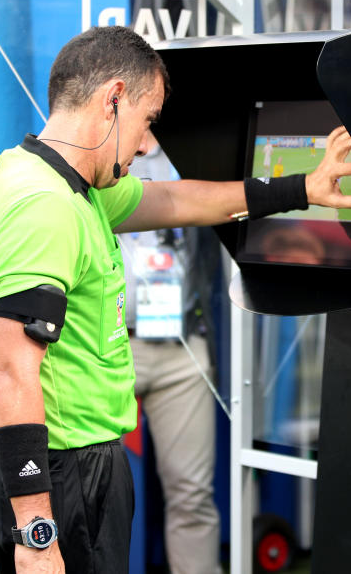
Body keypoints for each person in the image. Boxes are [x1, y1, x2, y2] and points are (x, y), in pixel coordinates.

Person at [0, 25, 351, 574]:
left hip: (77, 467)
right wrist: (38, 534)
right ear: (113, 99)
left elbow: (178, 199)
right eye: (147, 121)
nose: (142, 144)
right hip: (64, 475)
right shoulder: (45, 206)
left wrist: (302, 188)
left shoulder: (61, 183)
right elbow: (10, 369)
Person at [116, 136, 222, 574]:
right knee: (86, 490)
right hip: (108, 345)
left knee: (192, 492)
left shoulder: (194, 148)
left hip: (182, 345)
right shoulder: (98, 142)